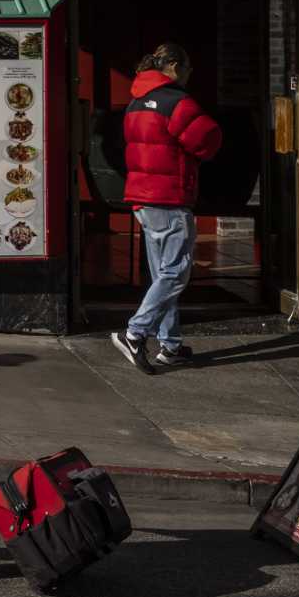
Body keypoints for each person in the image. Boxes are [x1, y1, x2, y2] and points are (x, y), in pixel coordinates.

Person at [111, 42, 223, 375]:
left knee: (162, 275)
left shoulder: (135, 103)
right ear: (172, 66)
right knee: (176, 273)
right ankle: (135, 332)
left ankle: (170, 345)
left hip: (142, 199)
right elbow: (209, 141)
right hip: (170, 198)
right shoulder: (177, 102)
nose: (189, 75)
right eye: (187, 68)